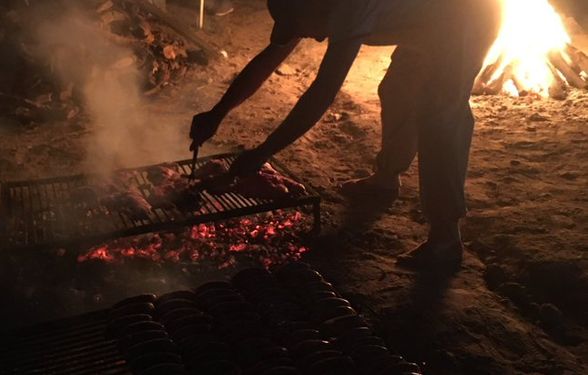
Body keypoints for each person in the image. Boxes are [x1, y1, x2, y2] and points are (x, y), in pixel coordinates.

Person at [189, 0, 501, 272]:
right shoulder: (311, 7)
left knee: (440, 115)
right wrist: (218, 111)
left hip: (467, 17)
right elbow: (271, 57)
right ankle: (386, 178)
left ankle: (446, 240)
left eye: (305, 28)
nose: (311, 36)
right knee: (397, 90)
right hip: (426, 21)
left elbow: (322, 93)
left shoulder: (350, 7)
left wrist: (263, 153)